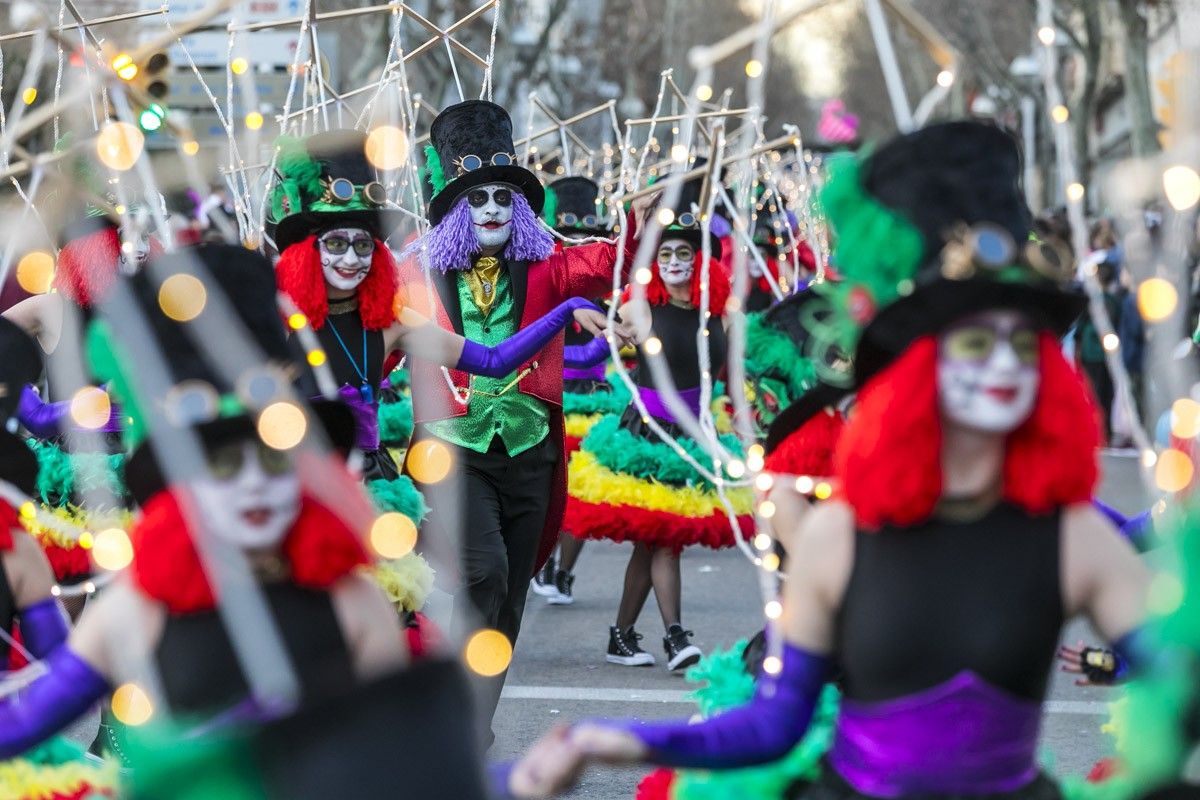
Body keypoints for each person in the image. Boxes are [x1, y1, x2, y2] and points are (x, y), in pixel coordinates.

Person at [511, 121, 1151, 799]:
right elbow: (773, 725)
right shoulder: (839, 539)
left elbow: (1180, 683)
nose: (1002, 368)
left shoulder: (1072, 539)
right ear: (918, 366)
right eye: (972, 344)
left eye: (1023, 344)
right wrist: (617, 739)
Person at [0, 244, 494, 798]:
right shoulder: (135, 610)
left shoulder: (350, 601)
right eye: (224, 465)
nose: (254, 484)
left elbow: (406, 764)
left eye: (275, 459)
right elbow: (19, 726)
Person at [396, 100, 642, 743]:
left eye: (505, 198)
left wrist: (650, 205)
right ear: (454, 208)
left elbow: (622, 259)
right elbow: (351, 301)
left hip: (530, 448)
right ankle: (449, 697)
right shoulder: (412, 271)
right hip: (451, 447)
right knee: (486, 573)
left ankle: (474, 721)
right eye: (477, 200)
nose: (493, 210)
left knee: (509, 595)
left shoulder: (553, 263)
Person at [268, 129, 605, 518]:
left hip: (369, 483)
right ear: (308, 252)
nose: (351, 259)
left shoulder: (393, 324)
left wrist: (564, 312)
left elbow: (493, 362)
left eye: (362, 245)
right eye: (335, 244)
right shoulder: (281, 320)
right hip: (296, 481)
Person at [563, 176, 753, 672]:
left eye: (683, 256)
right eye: (665, 255)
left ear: (699, 262)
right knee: (664, 543)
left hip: (694, 437)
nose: (673, 263)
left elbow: (732, 380)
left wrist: (746, 427)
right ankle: (673, 636)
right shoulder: (639, 306)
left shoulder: (719, 315)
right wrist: (641, 212)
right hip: (649, 436)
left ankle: (622, 634)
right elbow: (614, 287)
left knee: (655, 546)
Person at [531, 175, 619, 605]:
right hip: (552, 395)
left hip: (596, 400)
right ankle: (542, 563)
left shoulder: (607, 280)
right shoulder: (547, 272)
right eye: (572, 232)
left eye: (589, 233)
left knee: (586, 492)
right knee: (551, 490)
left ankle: (563, 570)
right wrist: (607, 341)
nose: (581, 241)